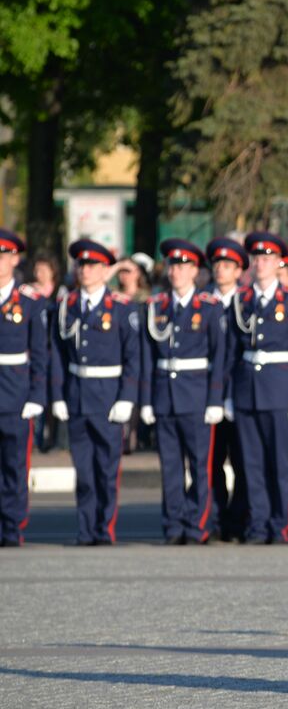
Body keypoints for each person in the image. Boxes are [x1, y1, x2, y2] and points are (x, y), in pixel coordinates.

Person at [50, 239, 141, 545]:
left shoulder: (120, 307)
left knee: (106, 468)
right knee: (84, 471)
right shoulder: (67, 306)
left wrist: (127, 398)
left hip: (108, 395)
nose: (85, 270)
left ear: (105, 270)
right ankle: (86, 528)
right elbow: (58, 356)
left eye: (91, 266)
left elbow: (133, 356)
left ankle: (104, 528)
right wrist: (59, 396)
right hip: (77, 393)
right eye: (81, 265)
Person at [138, 239, 227, 545]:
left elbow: (220, 357)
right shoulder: (156, 307)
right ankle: (173, 525)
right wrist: (147, 400)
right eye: (173, 265)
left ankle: (198, 524)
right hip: (165, 396)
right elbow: (148, 358)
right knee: (171, 468)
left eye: (183, 266)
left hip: (197, 396)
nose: (176, 271)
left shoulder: (209, 309)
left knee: (200, 467)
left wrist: (215, 399)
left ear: (195, 271)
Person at [226, 232, 288, 544]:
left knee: (280, 463)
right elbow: (231, 351)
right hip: (247, 388)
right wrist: (227, 394)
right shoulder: (241, 300)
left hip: (279, 388)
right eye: (257, 259)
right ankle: (258, 523)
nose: (260, 264)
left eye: (266, 259)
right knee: (251, 464)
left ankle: (281, 524)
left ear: (278, 263)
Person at [0, 230, 48, 546]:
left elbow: (42, 353)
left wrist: (36, 395)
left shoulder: (29, 301)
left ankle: (12, 526)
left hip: (15, 395)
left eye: (4, 256)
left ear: (15, 259)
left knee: (15, 467)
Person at [204, 237, 249, 541]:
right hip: (206, 393)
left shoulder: (247, 302)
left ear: (238, 271)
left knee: (245, 460)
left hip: (242, 392)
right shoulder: (201, 302)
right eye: (218, 264)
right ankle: (217, 518)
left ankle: (241, 519)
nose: (221, 270)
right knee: (212, 460)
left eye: (228, 265)